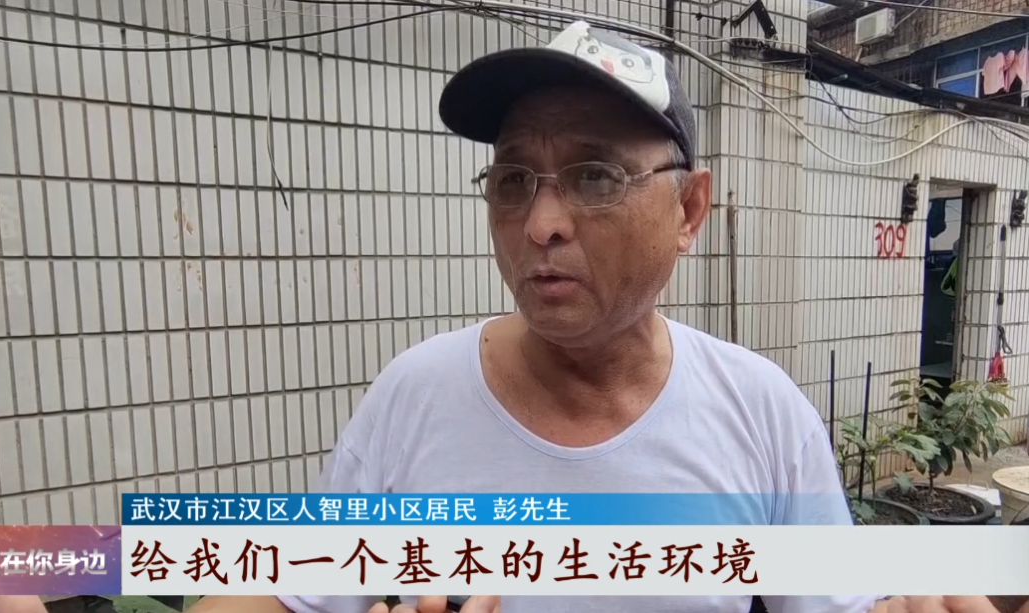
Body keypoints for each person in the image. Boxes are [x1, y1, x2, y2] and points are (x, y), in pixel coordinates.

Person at [186, 20, 1009, 613]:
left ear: (689, 209)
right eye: (513, 180)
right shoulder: (415, 397)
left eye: (594, 176)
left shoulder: (760, 413)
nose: (541, 223)